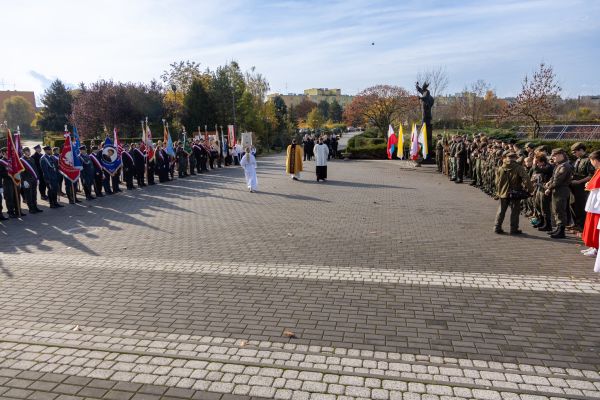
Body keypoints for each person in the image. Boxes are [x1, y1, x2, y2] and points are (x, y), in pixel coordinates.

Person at [494, 151, 533, 235]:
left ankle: (497, 227)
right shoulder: (518, 167)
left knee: (501, 210)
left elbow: (497, 181)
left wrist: (498, 192)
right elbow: (526, 180)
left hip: (503, 192)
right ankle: (513, 229)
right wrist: (530, 190)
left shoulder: (501, 167)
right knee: (515, 211)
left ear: (507, 158)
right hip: (515, 192)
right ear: (515, 158)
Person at [545, 148, 573, 239]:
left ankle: (561, 231)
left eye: (555, 155)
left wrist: (549, 188)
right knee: (556, 210)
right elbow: (554, 177)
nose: (553, 158)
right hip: (557, 190)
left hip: (561, 190)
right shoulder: (559, 165)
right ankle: (558, 228)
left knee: (560, 210)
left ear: (561, 155)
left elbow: (558, 180)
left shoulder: (564, 166)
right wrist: (549, 182)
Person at [570, 142, 595, 232]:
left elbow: (591, 175)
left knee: (582, 206)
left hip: (583, 187)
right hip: (575, 186)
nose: (574, 154)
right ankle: (576, 224)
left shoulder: (589, 160)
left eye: (575, 152)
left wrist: (578, 181)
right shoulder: (577, 160)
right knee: (574, 205)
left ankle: (582, 226)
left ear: (581, 150)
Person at [581, 150, 600, 258]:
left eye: (592, 160)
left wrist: (590, 184)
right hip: (595, 203)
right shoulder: (598, 170)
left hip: (598, 204)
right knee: (592, 226)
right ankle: (593, 246)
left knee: (596, 227)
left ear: (596, 160)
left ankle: (596, 248)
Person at [20, 147, 43, 213]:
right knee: (28, 195)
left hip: (33, 179)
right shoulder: (21, 160)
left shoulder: (31, 159)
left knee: (34, 194)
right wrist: (23, 181)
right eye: (27, 151)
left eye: (29, 151)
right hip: (27, 180)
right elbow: (21, 172)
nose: (29, 152)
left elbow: (35, 169)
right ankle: (31, 208)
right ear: (24, 152)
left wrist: (37, 178)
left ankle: (35, 207)